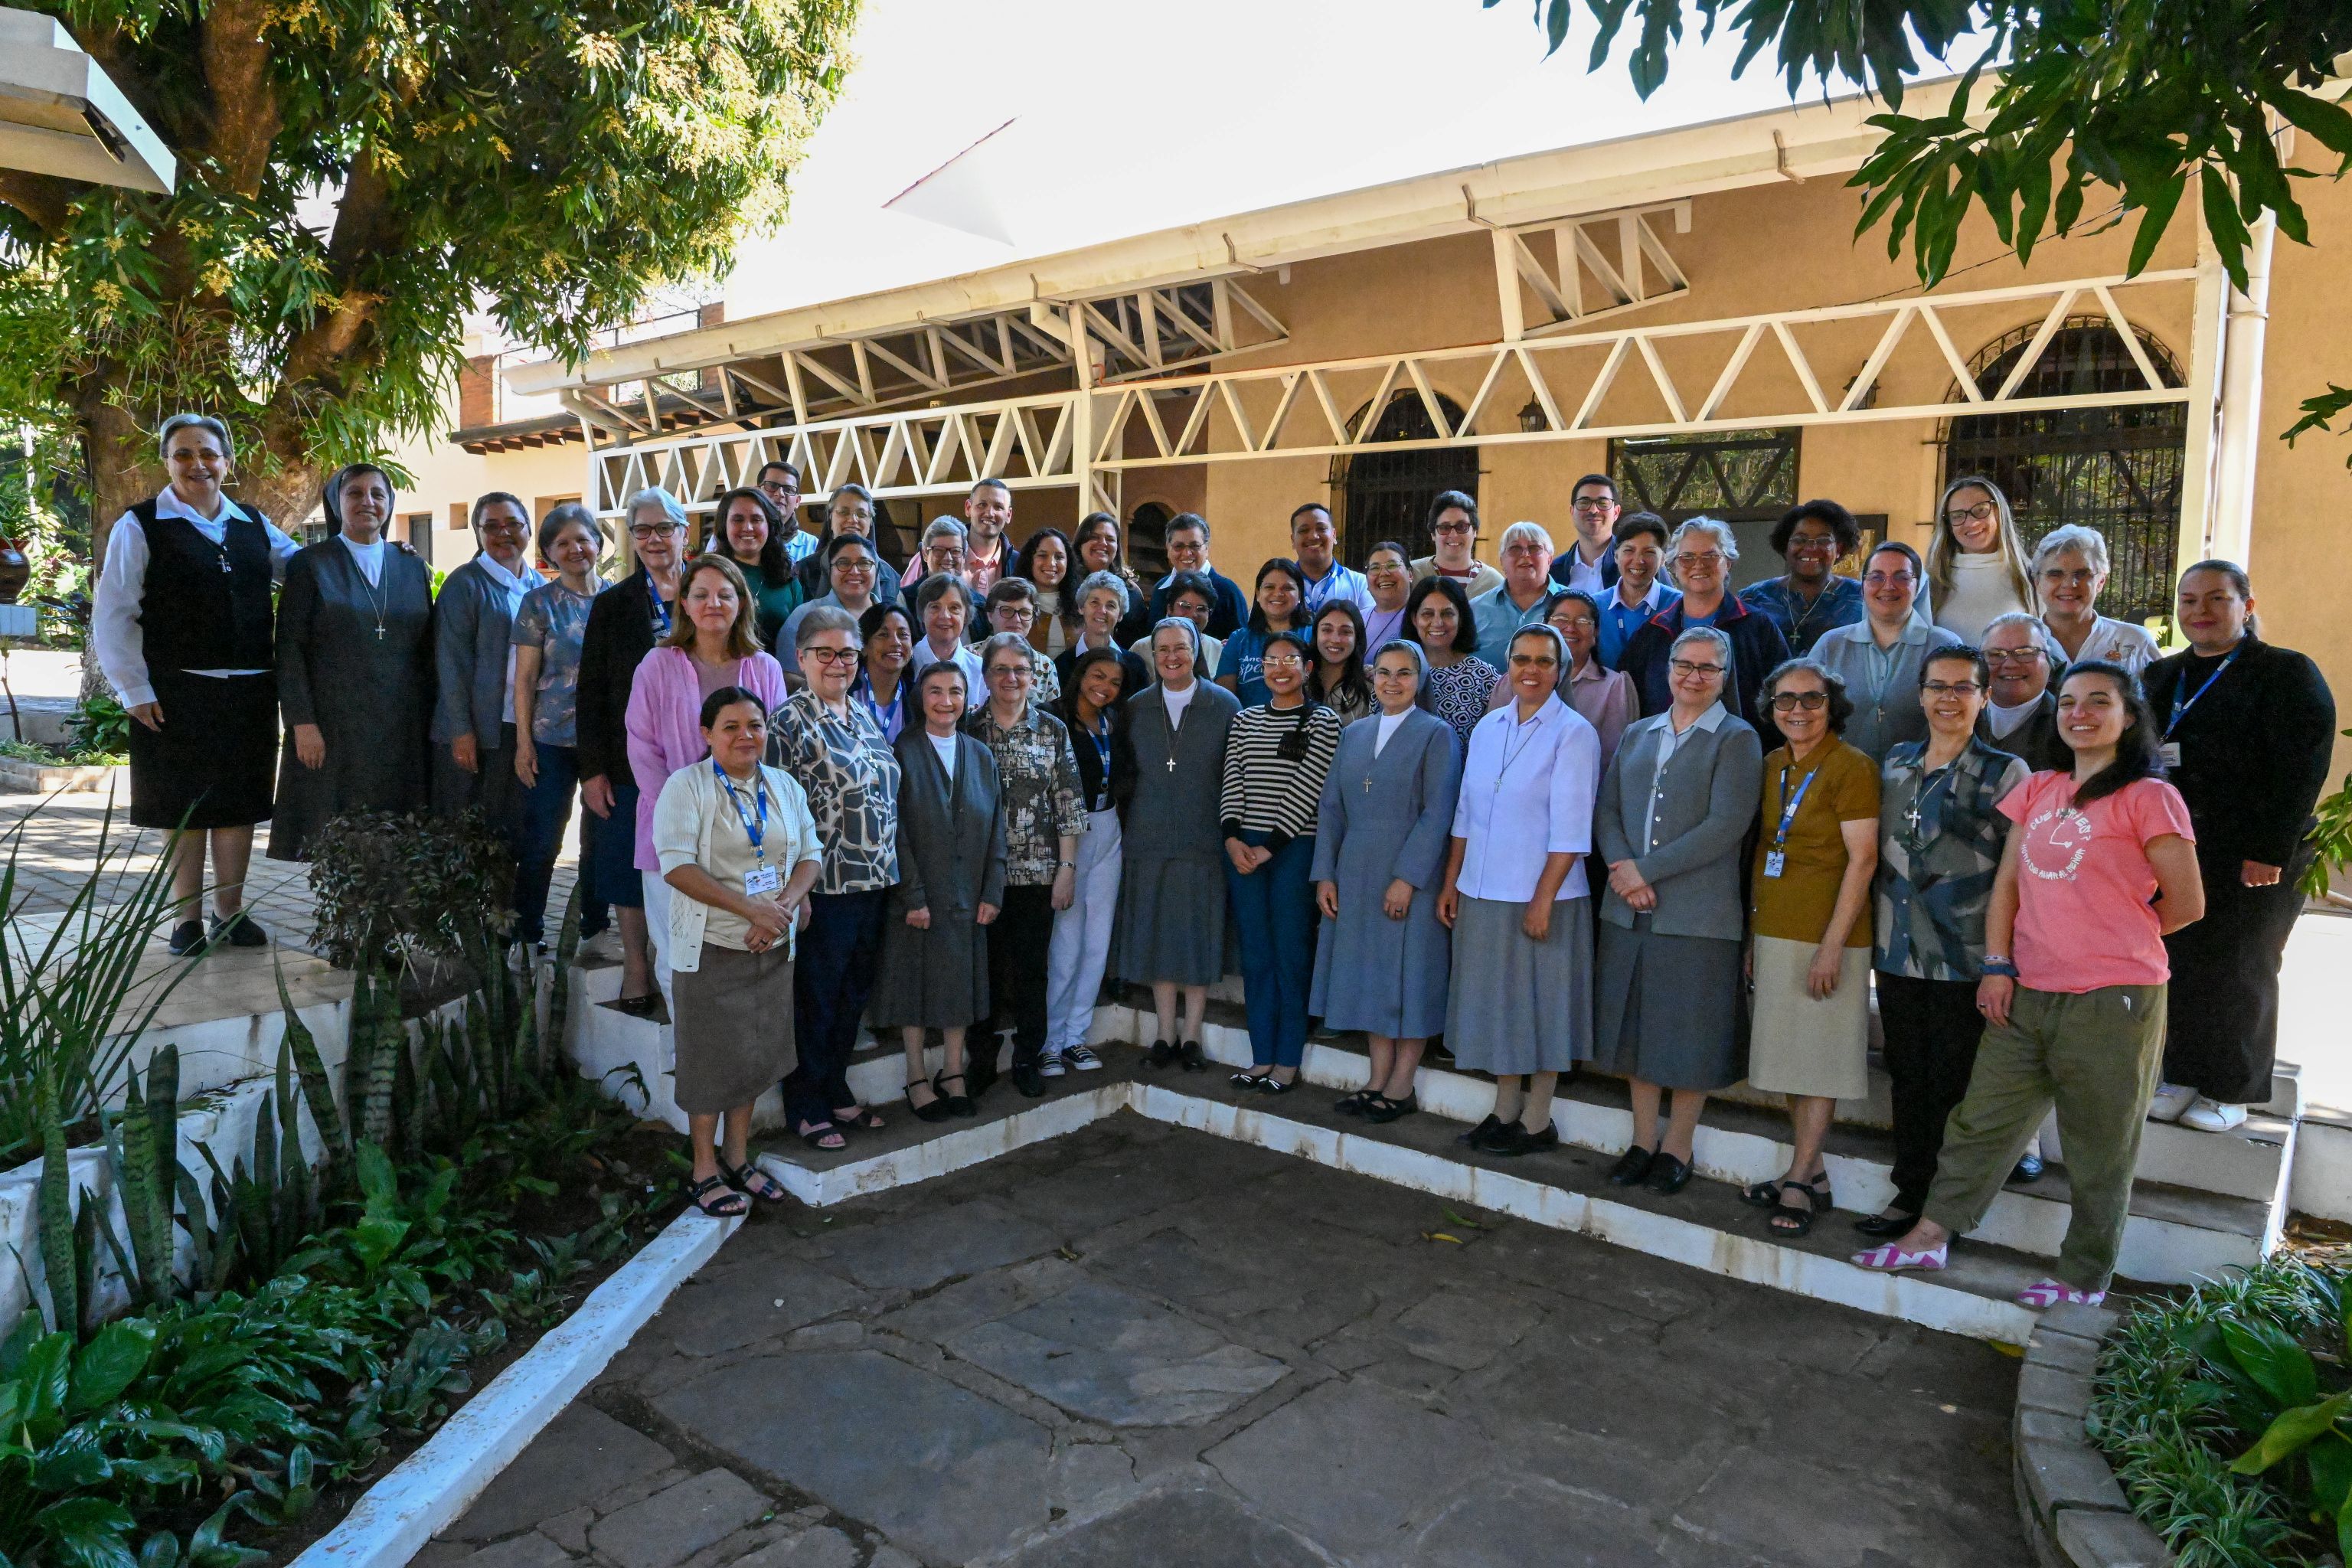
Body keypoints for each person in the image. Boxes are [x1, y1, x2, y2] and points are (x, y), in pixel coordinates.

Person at [1854, 663, 2203, 1309]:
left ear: (2129, 716)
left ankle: (2083, 1278)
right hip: (2028, 990)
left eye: (2098, 702)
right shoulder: (2040, 788)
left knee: (2100, 1147)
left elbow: (2187, 903)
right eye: (2068, 702)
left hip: (2113, 998)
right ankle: (1930, 1234)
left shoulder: (2150, 797)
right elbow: (2008, 886)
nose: (2080, 714)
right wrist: (1997, 965)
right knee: (1979, 1124)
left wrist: (2111, 935)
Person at [2143, 562, 2337, 1132]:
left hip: (2256, 850)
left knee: (2242, 965)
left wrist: (2269, 850)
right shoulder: (2162, 676)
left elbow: (2302, 769)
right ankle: (2182, 1073)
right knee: (2181, 960)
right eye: (2188, 600)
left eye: (2216, 599)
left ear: (2246, 606)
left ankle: (2231, 1089)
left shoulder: (2286, 673)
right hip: (2181, 846)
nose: (2200, 611)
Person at [94, 413, 298, 954]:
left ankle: (229, 912)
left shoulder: (253, 523)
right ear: (166, 462)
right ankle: (186, 920)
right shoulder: (140, 525)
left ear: (227, 461)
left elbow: (306, 570)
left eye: (208, 453)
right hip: (175, 692)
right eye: (183, 454)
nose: (197, 464)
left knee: (238, 804)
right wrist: (133, 689)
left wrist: (380, 552)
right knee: (183, 807)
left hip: (251, 691)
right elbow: (114, 612)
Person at [1856, 645, 2032, 1238]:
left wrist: (2002, 961)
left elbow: (2017, 874)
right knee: (1909, 1077)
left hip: (1968, 957)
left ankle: (1949, 1210)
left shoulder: (2006, 772)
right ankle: (1910, 1194)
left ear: (1984, 697)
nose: (1948, 698)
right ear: (1921, 694)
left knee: (1959, 1084)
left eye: (1963, 687)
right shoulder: (1895, 762)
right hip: (1898, 950)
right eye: (1937, 686)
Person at [1591, 627, 1763, 1194]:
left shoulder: (1737, 739)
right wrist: (1623, 869)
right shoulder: (1638, 733)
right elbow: (1607, 810)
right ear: (1668, 669)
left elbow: (1726, 825)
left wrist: (1647, 871)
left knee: (1690, 1033)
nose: (1694, 676)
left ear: (1724, 676)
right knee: (1637, 1028)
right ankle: (1643, 1140)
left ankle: (1678, 1146)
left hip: (1698, 912)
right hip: (1628, 908)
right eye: (1685, 664)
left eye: (1708, 668)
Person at [652, 688, 822, 1216]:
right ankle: (704, 1171)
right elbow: (677, 866)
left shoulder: (784, 785)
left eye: (755, 725)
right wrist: (751, 910)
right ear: (707, 734)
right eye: (731, 726)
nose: (746, 736)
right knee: (709, 1063)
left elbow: (811, 854)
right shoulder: (686, 786)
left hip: (770, 946)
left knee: (752, 1057)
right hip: (712, 947)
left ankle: (738, 1159)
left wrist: (782, 908)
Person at [1439, 624, 1600, 1155]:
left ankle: (1536, 1120)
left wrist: (1542, 900)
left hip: (1543, 896)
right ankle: (1504, 1109)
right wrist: (1452, 882)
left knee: (1542, 1005)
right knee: (1498, 1005)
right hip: (1483, 890)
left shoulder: (1574, 733)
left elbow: (1572, 830)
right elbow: (1465, 812)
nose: (1532, 670)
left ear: (1561, 670)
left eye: (1544, 661)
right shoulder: (1489, 727)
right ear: (1508, 665)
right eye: (1522, 659)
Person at [1740, 659, 1880, 1238]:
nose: (1798, 710)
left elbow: (1863, 860)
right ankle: (1812, 1171)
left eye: (1811, 699)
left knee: (1818, 1063)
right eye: (1785, 700)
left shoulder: (1853, 767)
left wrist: (1832, 948)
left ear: (1832, 705)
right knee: (1790, 1061)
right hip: (1775, 929)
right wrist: (1754, 936)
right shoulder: (1773, 763)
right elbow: (1764, 850)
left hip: (1828, 936)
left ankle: (1798, 1178)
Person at [626, 556, 789, 1005]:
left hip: (748, 835)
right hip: (675, 833)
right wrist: (685, 816)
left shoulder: (765, 668)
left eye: (724, 594)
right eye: (701, 594)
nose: (712, 603)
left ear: (742, 603)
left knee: (744, 948)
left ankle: (736, 1048)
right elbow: (642, 749)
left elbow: (775, 753)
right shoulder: (656, 665)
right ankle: (688, 1048)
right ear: (684, 603)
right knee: (678, 953)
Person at [768, 606, 901, 1149]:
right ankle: (805, 1105)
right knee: (817, 999)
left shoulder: (862, 713)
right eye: (825, 653)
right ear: (801, 658)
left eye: (847, 653)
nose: (838, 663)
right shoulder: (788, 722)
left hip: (874, 880)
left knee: (852, 994)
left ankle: (835, 1086)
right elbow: (777, 812)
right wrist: (793, 892)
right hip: (824, 886)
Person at [1313, 642, 1461, 1122]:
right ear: (1372, 678)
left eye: (1404, 673)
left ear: (1420, 679)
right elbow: (1331, 808)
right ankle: (1377, 1078)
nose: (1392, 682)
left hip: (1409, 874)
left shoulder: (1436, 734)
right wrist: (1325, 874)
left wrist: (1407, 878)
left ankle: (1402, 1084)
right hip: (1355, 871)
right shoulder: (1354, 734)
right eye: (1383, 673)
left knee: (1409, 975)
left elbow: (1439, 813)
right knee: (1370, 976)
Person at [268, 463, 433, 864]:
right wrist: (302, 723)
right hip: (335, 726)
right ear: (336, 502)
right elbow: (289, 649)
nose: (367, 502)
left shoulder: (411, 565)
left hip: (402, 726)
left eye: (378, 494)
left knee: (398, 839)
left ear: (390, 503)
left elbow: (428, 648)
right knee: (337, 839)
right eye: (355, 493)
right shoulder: (311, 564)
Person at [875, 662, 1007, 1120]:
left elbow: (997, 827)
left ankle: (953, 1073)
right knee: (913, 985)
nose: (945, 701)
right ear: (921, 697)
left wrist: (993, 890)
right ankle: (916, 1076)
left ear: (967, 699)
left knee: (959, 985)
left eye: (955, 691)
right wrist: (912, 896)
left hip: (969, 893)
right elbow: (895, 830)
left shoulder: (981, 755)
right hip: (919, 894)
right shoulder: (902, 750)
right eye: (935, 691)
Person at [577, 487, 689, 1012]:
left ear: (684, 533)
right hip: (629, 762)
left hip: (699, 757)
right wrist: (592, 770)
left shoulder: (711, 591)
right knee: (628, 862)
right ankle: (637, 968)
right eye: (642, 530)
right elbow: (591, 692)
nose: (654, 539)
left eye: (664, 528)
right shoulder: (613, 604)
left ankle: (686, 969)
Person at [1116, 618, 1242, 1069]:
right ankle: (1164, 1033)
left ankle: (1192, 1037)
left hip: (1203, 836)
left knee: (1197, 935)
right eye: (1163, 649)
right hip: (1148, 837)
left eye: (1181, 648)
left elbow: (1236, 774)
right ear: (1153, 655)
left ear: (1196, 651)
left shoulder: (1224, 705)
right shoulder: (1135, 708)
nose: (1172, 657)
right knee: (1157, 935)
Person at [1221, 630, 1344, 1090]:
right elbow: (1232, 779)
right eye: (1271, 660)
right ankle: (1261, 1057)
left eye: (1290, 659)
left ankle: (1288, 1059)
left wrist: (1269, 847)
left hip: (1295, 849)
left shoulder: (1323, 722)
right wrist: (1232, 839)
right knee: (1256, 955)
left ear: (1307, 668)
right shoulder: (1245, 719)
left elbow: (1310, 789)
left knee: (1291, 952)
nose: (1280, 668)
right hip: (1244, 850)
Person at [965, 633, 1084, 1098]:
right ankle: (981, 1058)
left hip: (1038, 874)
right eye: (1001, 669)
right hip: (982, 876)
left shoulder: (1052, 730)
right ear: (986, 675)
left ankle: (1027, 1057)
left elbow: (1068, 802)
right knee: (985, 972)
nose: (1011, 678)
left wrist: (1067, 868)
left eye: (1020, 669)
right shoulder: (968, 728)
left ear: (1034, 677)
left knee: (1032, 971)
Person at [511, 504, 610, 952]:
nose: (575, 549)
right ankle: (527, 934)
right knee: (543, 841)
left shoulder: (618, 600)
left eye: (582, 539)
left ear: (598, 543)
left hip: (604, 743)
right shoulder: (538, 603)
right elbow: (525, 680)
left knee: (599, 842)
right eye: (562, 543)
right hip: (550, 741)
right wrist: (523, 743)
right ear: (549, 553)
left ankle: (594, 930)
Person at [1045, 646, 1135, 1076]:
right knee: (1066, 941)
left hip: (1108, 827)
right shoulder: (1053, 718)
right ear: (1080, 675)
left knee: (1097, 939)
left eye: (1115, 682)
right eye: (1098, 676)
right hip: (1069, 836)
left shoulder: (1113, 721)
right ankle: (1049, 1040)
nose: (1105, 687)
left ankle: (1075, 1037)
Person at [432, 492, 544, 836]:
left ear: (528, 528)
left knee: (512, 831)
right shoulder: (464, 585)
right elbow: (451, 664)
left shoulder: (539, 586)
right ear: (478, 533)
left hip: (521, 729)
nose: (504, 533)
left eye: (513, 524)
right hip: (477, 733)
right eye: (491, 526)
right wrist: (461, 731)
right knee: (468, 836)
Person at [1620, 517, 1791, 732]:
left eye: (1710, 556)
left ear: (1728, 563)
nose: (1699, 565)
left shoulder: (1757, 627)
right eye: (1687, 557)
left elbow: (1785, 695)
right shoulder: (1653, 632)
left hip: (1742, 746)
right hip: (1663, 748)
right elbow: (1629, 703)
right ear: (1673, 567)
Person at [1810, 541, 1962, 763]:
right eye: (1876, 577)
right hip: (1842, 775)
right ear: (1863, 586)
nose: (1888, 586)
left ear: (1918, 586)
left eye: (1902, 577)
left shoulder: (1945, 646)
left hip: (1921, 775)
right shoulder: (1830, 644)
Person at [1487, 589, 1633, 764]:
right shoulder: (1512, 681)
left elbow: (1613, 759)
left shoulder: (1614, 686)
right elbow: (1493, 743)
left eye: (1582, 621)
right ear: (1545, 625)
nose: (1570, 628)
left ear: (1596, 632)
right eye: (1561, 619)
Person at [1739, 499, 1866, 656]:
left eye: (1823, 540)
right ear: (1786, 546)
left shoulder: (1861, 598)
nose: (1811, 548)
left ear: (1839, 549)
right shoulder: (1753, 598)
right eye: (1800, 540)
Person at [2033, 524, 2159, 674]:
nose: (2069, 584)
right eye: (2055, 574)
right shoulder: (2018, 643)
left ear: (2100, 582)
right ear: (2038, 583)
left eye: (2081, 574)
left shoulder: (2135, 642)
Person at [1926, 475, 2037, 640]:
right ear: (1948, 525)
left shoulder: (2030, 577)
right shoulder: (1933, 580)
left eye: (1980, 510)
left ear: (1998, 512)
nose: (1971, 523)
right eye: (1958, 515)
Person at [1404, 575, 1500, 750]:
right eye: (1427, 614)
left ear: (1461, 618)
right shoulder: (1396, 672)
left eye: (1447, 614)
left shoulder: (1485, 677)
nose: (1438, 622)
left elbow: (1495, 744)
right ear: (1414, 619)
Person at [703, 486, 804, 650]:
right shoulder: (708, 576)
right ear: (724, 526)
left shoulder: (787, 578)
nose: (748, 528)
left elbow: (801, 640)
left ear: (769, 525)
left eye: (756, 519)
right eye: (738, 520)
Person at [781, 533, 887, 678]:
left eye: (864, 563)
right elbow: (787, 676)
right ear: (829, 570)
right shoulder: (804, 616)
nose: (855, 571)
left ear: (877, 569)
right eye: (844, 563)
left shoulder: (891, 619)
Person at [1976, 612, 2069, 771]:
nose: (2010, 664)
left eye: (2026, 653)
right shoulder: (1958, 714)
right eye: (1996, 654)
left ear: (2050, 661)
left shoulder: (2067, 724)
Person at [1217, 558, 1309, 707]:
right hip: (1248, 721)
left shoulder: (1314, 635)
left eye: (1287, 588)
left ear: (1300, 595)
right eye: (1270, 587)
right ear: (1258, 594)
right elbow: (1225, 700)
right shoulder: (1239, 640)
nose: (1278, 593)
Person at [1470, 521, 1560, 670]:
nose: (1525, 555)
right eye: (1515, 549)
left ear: (1550, 559)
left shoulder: (1571, 605)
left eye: (1534, 548)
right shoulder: (1475, 609)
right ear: (1502, 561)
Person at [794, 482, 901, 604]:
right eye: (844, 512)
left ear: (871, 521)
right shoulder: (805, 570)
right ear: (830, 517)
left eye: (861, 514)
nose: (852, 520)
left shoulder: (889, 576)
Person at [1597, 512, 1677, 671]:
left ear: (1663, 559)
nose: (1639, 560)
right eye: (1629, 550)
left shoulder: (1678, 605)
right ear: (1616, 556)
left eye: (1649, 552)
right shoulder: (1595, 605)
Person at [1148, 512, 1248, 636]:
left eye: (1195, 546)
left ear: (1207, 548)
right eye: (1178, 546)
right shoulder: (1159, 590)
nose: (1187, 553)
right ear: (1168, 548)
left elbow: (1242, 643)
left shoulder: (1228, 592)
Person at [1058, 569, 1153, 697]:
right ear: (1081, 608)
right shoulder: (1062, 664)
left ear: (1120, 615)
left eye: (1111, 606)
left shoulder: (1135, 665)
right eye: (1095, 603)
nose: (1102, 611)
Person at [1129, 570, 1224, 678]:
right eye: (1185, 606)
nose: (1193, 614)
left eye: (1201, 609)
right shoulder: (1142, 648)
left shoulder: (1220, 651)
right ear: (1170, 608)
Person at [1412, 490, 1504, 600]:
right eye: (1445, 527)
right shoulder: (1411, 576)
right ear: (1433, 534)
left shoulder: (1494, 583)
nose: (1454, 534)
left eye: (1461, 527)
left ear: (1475, 531)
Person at [1073, 512, 1151, 642]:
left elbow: (1141, 638)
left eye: (1110, 539)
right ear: (1080, 543)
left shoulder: (1132, 592)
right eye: (1094, 537)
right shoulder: (1065, 585)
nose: (1103, 543)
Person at [907, 572, 984, 702]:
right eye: (935, 607)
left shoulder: (980, 670)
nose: (944, 616)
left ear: (966, 616)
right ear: (922, 613)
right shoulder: (906, 664)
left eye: (954, 608)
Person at [1289, 502, 1373, 617]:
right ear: (1293, 540)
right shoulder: (1281, 586)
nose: (1313, 536)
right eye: (1304, 530)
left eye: (1321, 529)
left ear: (1334, 535)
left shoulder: (1360, 584)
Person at [983, 577, 1060, 702]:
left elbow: (1053, 711)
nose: (1017, 619)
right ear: (990, 615)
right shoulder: (969, 657)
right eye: (1006, 610)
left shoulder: (1045, 666)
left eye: (1025, 612)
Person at [851, 602, 916, 743]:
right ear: (863, 647)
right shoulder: (845, 691)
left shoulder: (918, 698)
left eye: (903, 635)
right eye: (883, 635)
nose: (896, 642)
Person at [1547, 473, 1622, 595]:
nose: (1593, 510)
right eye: (1584, 503)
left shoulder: (1633, 566)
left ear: (1616, 512)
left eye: (1603, 503)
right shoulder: (1553, 573)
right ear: (1572, 511)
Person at [1014, 527, 1078, 655]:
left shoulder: (1081, 605)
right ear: (1030, 560)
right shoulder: (1013, 603)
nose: (1051, 563)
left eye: (1059, 557)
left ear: (1068, 562)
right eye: (1043, 555)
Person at [1308, 601, 1374, 725]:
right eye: (1327, 630)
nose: (1335, 640)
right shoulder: (1300, 682)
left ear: (1357, 638)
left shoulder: (1371, 688)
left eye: (1345, 632)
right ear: (1316, 634)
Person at [754, 461, 821, 564]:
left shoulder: (813, 546)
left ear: (797, 501)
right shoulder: (743, 537)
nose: (780, 494)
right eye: (772, 486)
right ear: (756, 492)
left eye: (788, 489)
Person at [961, 478, 1012, 594]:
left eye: (998, 507)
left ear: (1009, 515)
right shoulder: (938, 555)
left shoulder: (1017, 563)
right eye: (982, 505)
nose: (989, 513)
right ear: (968, 508)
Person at [1361, 541, 1414, 652]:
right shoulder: (1358, 618)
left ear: (1410, 574)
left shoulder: (1421, 617)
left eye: (1392, 565)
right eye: (1375, 568)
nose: (1384, 573)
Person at [903, 517, 972, 593]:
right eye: (939, 550)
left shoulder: (977, 600)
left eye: (955, 551)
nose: (948, 558)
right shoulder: (903, 598)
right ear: (925, 554)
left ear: (964, 556)